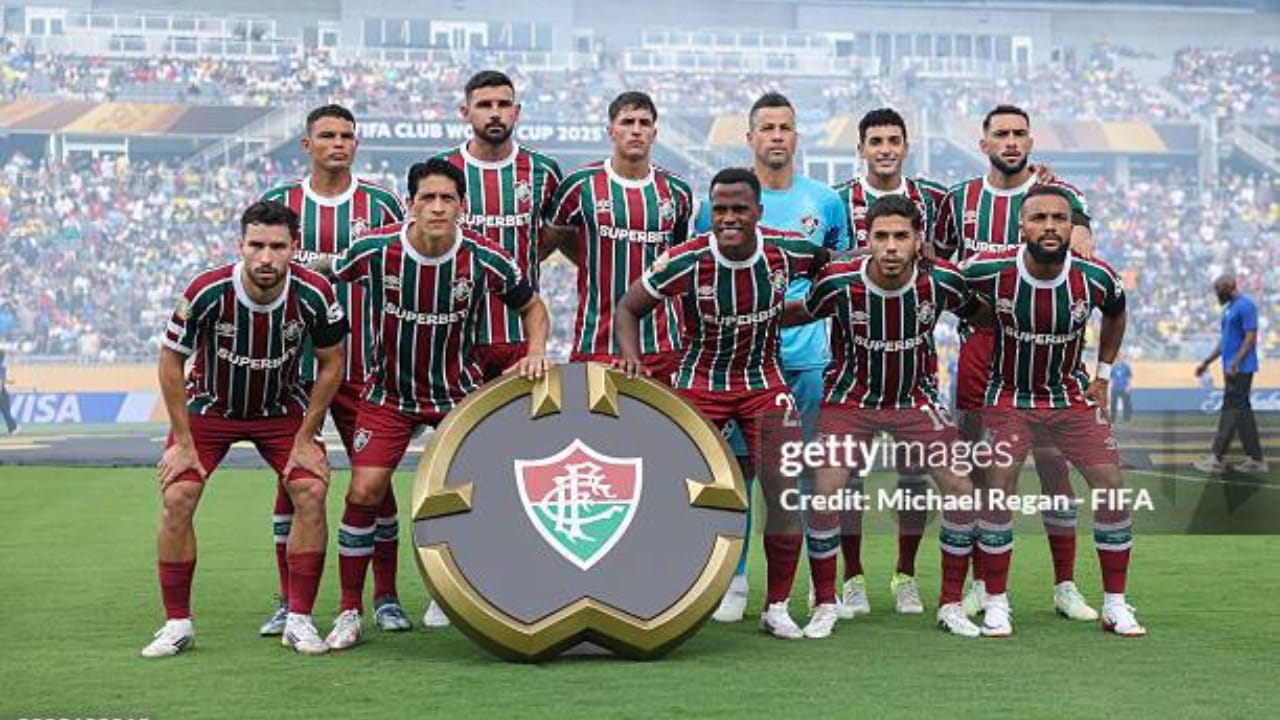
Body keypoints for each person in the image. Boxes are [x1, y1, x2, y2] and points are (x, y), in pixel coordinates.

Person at [325, 159, 550, 651]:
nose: (437, 207)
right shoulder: (374, 250)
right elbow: (326, 276)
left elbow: (533, 307)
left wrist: (535, 352)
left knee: (479, 492)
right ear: (410, 204)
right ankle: (350, 610)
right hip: (389, 395)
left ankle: (461, 592)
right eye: (427, 197)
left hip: (457, 396)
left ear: (462, 207)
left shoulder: (485, 258)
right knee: (365, 490)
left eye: (447, 199)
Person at [614, 167, 829, 639]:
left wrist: (817, 304)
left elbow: (837, 266)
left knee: (782, 490)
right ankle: (662, 595)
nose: (728, 218)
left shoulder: (787, 250)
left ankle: (777, 607)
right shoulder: (687, 259)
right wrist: (630, 359)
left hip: (762, 382)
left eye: (739, 209)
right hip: (699, 382)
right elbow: (628, 307)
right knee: (669, 492)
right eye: (720, 210)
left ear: (758, 212)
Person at [141, 201, 347, 658]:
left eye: (277, 246)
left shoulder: (315, 293)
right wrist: (182, 441)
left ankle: (299, 619)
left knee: (311, 492)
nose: (266, 257)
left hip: (281, 410)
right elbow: (171, 361)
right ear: (241, 246)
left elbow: (333, 364)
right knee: (177, 494)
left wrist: (306, 438)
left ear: (294, 248)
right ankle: (177, 623)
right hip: (211, 408)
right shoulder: (207, 290)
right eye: (256, 245)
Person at [784, 194, 986, 638]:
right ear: (867, 240)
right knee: (825, 490)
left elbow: (983, 314)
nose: (891, 246)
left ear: (919, 241)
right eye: (881, 236)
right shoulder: (838, 281)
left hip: (916, 399)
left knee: (959, 486)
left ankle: (951, 604)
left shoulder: (943, 281)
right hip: (850, 399)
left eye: (901, 236)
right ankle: (824, 602)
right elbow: (801, 312)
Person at [934, 105, 1098, 622]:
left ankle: (1065, 585)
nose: (1011, 141)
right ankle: (983, 583)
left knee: (1054, 468)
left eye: (1019, 133)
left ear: (1031, 140)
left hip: (1047, 351)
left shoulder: (1057, 195)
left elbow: (1086, 256)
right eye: (1000, 133)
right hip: (982, 347)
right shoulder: (960, 200)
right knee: (981, 471)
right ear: (983, 143)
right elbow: (943, 272)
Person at [962, 185, 1145, 637]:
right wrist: (974, 312)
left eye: (1058, 219)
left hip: (1070, 398)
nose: (1048, 226)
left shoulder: (1094, 276)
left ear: (1071, 227)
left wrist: (1102, 373)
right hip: (1009, 398)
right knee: (997, 489)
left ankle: (1116, 605)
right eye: (1038, 218)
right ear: (1021, 226)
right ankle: (997, 603)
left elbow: (1117, 311)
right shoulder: (990, 268)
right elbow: (944, 285)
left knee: (1111, 486)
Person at [694, 92, 849, 622]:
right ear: (751, 137)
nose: (777, 136)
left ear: (796, 136)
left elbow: (838, 274)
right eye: (767, 127)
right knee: (737, 475)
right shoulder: (720, 204)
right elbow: (700, 276)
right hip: (738, 363)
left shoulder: (825, 202)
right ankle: (733, 582)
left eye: (786, 126)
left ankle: (799, 588)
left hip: (803, 363)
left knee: (798, 477)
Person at [258, 104, 410, 635]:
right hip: (292, 370)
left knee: (377, 483)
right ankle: (287, 601)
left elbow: (401, 273)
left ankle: (385, 597)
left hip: (366, 368)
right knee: (292, 483)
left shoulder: (382, 204)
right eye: (327, 135)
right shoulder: (280, 204)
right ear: (307, 145)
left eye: (347, 135)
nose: (338, 144)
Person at [827, 107, 950, 617]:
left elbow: (949, 263)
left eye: (893, 140)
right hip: (852, 364)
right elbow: (824, 272)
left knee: (914, 477)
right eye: (874, 140)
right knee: (845, 478)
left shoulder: (934, 200)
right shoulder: (838, 201)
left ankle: (905, 574)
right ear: (860, 148)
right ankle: (851, 576)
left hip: (913, 366)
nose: (884, 148)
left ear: (906, 145)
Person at [544, 90, 693, 381]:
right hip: (597, 341)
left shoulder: (677, 192)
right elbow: (553, 239)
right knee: (589, 427)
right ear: (611, 131)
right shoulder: (579, 186)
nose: (636, 130)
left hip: (662, 344)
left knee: (661, 428)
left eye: (644, 123)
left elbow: (676, 260)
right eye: (627, 122)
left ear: (654, 132)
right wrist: (590, 261)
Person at [436, 69, 563, 382]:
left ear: (516, 112)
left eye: (503, 104)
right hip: (456, 334)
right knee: (455, 429)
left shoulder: (543, 171)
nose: (495, 113)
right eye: (483, 105)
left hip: (519, 331)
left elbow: (553, 236)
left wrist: (520, 262)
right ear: (465, 113)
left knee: (516, 429)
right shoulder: (442, 170)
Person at [1193, 275, 1268, 473]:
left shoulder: (1246, 306)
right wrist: (1206, 362)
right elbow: (1224, 342)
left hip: (1241, 369)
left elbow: (1251, 338)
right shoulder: (1228, 310)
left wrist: (1236, 362)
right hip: (1231, 369)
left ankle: (1217, 458)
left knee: (1230, 411)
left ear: (1230, 287)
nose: (1217, 295)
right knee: (1242, 414)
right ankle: (1256, 459)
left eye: (1219, 291)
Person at [1111, 356, 1133, 423]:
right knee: (1113, 404)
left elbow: (1129, 377)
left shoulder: (1126, 367)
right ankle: (1113, 419)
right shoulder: (1114, 367)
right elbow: (1111, 378)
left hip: (1124, 388)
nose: (1119, 359)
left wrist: (1128, 387)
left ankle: (1126, 418)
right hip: (1115, 388)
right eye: (1118, 358)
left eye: (1120, 358)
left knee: (1126, 404)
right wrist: (1111, 387)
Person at [0, 349, 17, 435]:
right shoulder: (3, 367)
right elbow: (2, 380)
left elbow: (1, 380)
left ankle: (13, 428)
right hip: (3, 393)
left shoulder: (2, 368)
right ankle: (13, 428)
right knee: (6, 413)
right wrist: (8, 381)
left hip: (2, 393)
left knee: (6, 413)